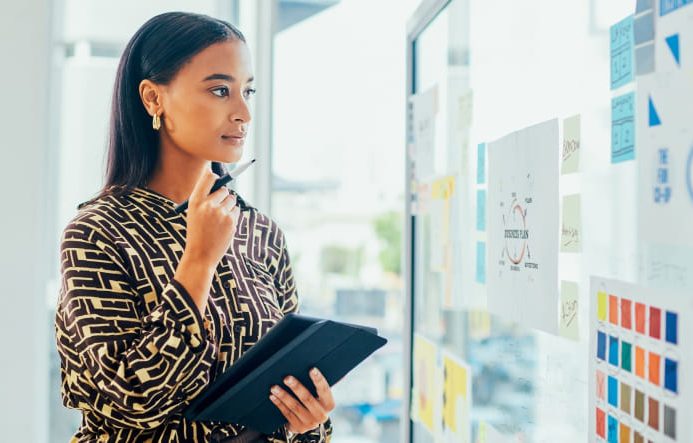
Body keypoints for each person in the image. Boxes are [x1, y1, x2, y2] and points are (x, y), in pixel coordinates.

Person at [54, 12, 334, 443]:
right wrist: (199, 260)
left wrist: (307, 420)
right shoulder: (97, 233)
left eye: (248, 91)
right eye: (220, 90)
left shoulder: (260, 232)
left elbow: (292, 390)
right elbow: (133, 400)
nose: (243, 113)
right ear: (152, 98)